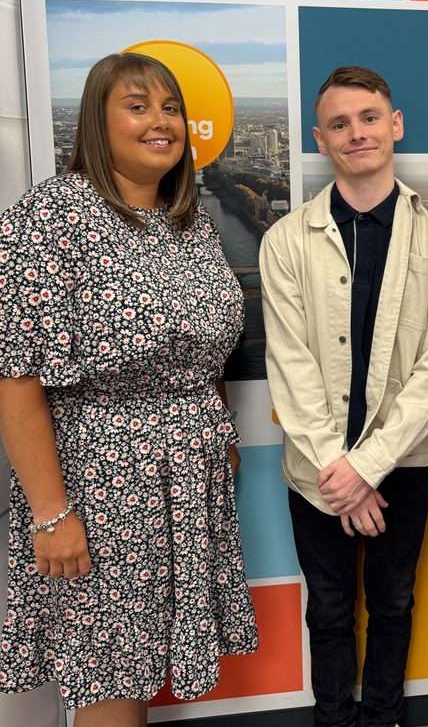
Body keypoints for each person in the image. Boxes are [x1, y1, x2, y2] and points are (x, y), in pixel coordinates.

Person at [0, 53, 258, 725]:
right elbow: (16, 373)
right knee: (110, 678)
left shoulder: (189, 222)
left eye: (170, 108)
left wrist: (219, 433)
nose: (161, 121)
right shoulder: (56, 214)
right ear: (97, 120)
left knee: (139, 668)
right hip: (103, 481)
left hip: (186, 477)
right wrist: (51, 513)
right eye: (138, 106)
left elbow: (202, 349)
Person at [260, 65, 428, 727]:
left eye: (370, 117)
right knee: (329, 607)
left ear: (395, 124)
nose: (357, 133)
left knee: (394, 601)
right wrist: (339, 470)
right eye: (340, 123)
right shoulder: (286, 241)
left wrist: (367, 467)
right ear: (321, 138)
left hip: (402, 466)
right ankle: (333, 720)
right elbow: (291, 368)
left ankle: (383, 717)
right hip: (315, 466)